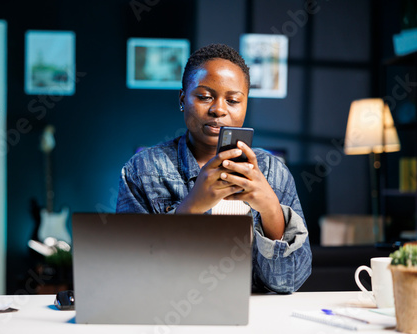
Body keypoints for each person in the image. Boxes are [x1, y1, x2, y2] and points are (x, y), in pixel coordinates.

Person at [116, 43, 312, 294]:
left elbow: (290, 282)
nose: (218, 109)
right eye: (204, 96)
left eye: (232, 100)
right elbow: (128, 272)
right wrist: (192, 206)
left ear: (245, 105)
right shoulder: (142, 170)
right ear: (182, 99)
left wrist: (272, 210)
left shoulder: (274, 172)